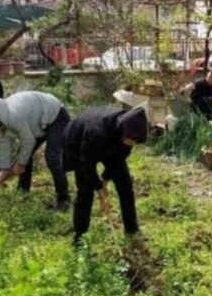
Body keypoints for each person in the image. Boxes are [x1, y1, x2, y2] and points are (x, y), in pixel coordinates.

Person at [62, 97, 149, 247]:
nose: (133, 144)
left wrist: (106, 178)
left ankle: (132, 229)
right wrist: (99, 187)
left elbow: (120, 157)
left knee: (125, 186)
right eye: (131, 140)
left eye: (136, 142)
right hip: (77, 143)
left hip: (109, 141)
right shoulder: (96, 131)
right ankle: (80, 237)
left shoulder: (129, 129)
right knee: (85, 191)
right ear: (124, 131)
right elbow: (87, 164)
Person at [0, 91, 70, 211]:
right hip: (38, 121)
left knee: (52, 157)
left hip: (56, 116)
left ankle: (64, 200)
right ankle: (23, 191)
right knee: (24, 154)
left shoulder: (13, 116)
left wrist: (20, 164)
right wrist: (4, 171)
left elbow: (29, 142)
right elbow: (4, 143)